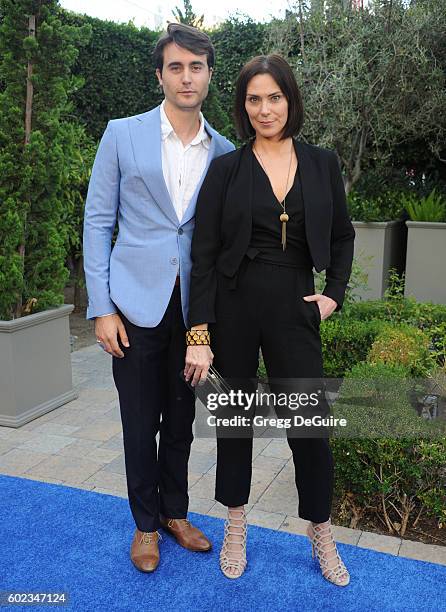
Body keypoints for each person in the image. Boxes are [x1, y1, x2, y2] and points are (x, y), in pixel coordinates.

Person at [184, 54, 355, 583]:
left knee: (310, 427)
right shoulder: (226, 168)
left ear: (290, 100)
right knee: (234, 424)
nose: (264, 109)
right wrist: (199, 334)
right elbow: (204, 256)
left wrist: (334, 295)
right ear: (243, 106)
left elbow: (344, 237)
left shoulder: (323, 163)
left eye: (274, 97)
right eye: (253, 99)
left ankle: (320, 532)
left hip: (295, 306)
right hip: (234, 306)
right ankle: (236, 524)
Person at [83, 23, 234, 573]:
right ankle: (145, 525)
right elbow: (98, 221)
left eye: (196, 67)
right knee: (138, 418)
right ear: (160, 74)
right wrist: (101, 306)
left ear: (209, 75)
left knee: (180, 420)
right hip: (132, 305)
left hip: (194, 311)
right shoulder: (121, 134)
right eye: (176, 66)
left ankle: (175, 512)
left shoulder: (226, 152)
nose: (186, 76)